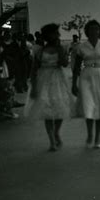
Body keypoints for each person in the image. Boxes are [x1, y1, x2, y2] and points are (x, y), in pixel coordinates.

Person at [24, 23, 71, 151]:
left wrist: (60, 50)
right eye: (55, 33)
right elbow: (33, 70)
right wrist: (33, 87)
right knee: (47, 111)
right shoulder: (39, 50)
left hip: (58, 79)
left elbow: (65, 63)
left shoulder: (60, 48)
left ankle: (56, 132)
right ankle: (51, 140)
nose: (58, 35)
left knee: (59, 108)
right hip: (43, 79)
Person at [72, 20, 100, 149]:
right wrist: (74, 84)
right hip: (86, 76)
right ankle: (89, 134)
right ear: (87, 31)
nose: (94, 32)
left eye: (97, 29)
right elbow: (76, 66)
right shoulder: (82, 47)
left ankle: (97, 136)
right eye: (91, 29)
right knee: (88, 105)